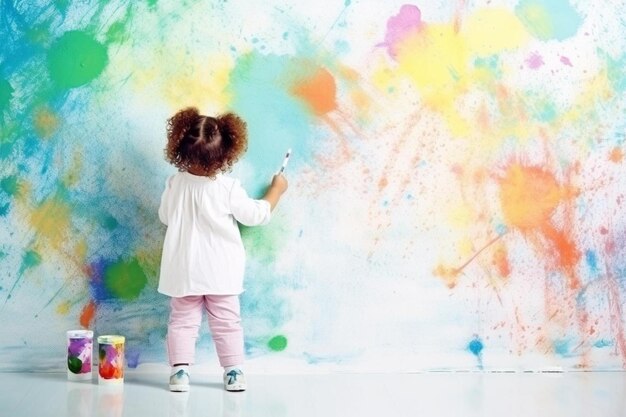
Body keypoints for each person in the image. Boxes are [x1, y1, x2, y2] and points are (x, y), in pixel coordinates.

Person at [157, 107, 288, 392]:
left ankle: (179, 373)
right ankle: (233, 373)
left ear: (180, 148)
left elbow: (165, 218)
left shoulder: (174, 183)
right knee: (227, 322)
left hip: (182, 270)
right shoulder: (228, 188)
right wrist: (276, 190)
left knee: (181, 321)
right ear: (224, 155)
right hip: (221, 270)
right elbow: (256, 216)